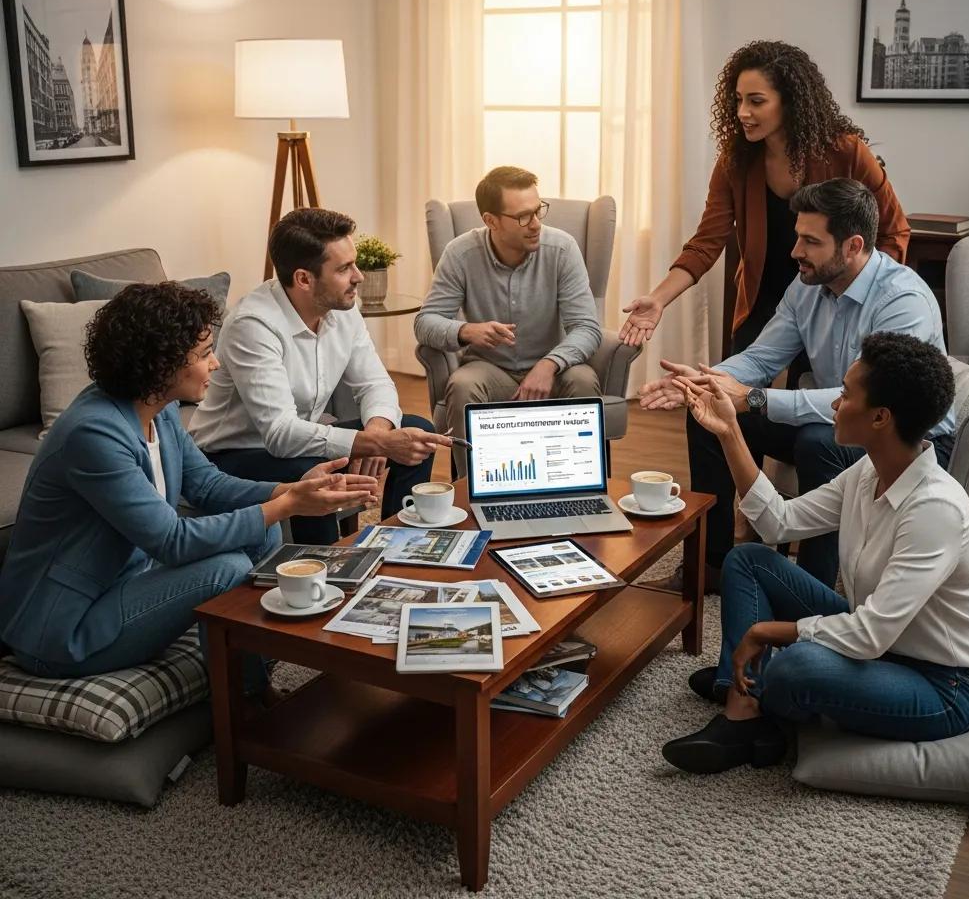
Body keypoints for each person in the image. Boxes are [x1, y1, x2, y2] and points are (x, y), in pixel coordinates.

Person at [0, 283, 377, 691]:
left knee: (262, 530)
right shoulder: (94, 434)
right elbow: (172, 541)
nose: (215, 363)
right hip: (61, 630)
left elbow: (207, 485)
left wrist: (290, 490)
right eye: (203, 354)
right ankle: (244, 703)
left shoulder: (157, 411)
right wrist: (288, 507)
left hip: (123, 583)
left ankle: (251, 674)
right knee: (228, 568)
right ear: (160, 364)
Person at [660, 332, 969, 775]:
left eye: (846, 395)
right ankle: (743, 708)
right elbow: (778, 521)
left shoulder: (936, 509)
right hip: (881, 647)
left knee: (794, 667)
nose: (835, 404)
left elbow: (870, 633)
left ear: (880, 418)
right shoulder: (869, 471)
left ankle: (752, 695)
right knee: (748, 561)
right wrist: (728, 432)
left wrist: (765, 632)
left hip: (939, 684)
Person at [640, 178, 954, 591]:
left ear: (853, 246)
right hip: (841, 421)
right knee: (709, 416)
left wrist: (752, 399)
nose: (795, 252)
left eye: (810, 241)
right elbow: (761, 357)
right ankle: (710, 567)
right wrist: (705, 384)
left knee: (818, 443)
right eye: (797, 238)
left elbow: (869, 402)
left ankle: (811, 590)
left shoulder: (902, 301)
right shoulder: (807, 286)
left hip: (902, 437)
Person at [619, 40, 909, 353]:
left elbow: (895, 232)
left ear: (790, 102)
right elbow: (706, 242)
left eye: (756, 101)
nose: (743, 112)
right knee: (724, 394)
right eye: (739, 100)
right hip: (762, 297)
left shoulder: (847, 152)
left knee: (808, 395)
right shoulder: (736, 161)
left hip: (830, 297)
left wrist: (860, 294)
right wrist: (658, 299)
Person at [190, 208, 452, 540]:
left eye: (354, 263)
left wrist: (376, 434)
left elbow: (375, 383)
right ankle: (326, 572)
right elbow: (280, 433)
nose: (358, 276)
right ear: (304, 278)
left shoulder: (342, 307)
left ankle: (400, 543)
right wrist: (371, 443)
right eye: (344, 268)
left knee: (418, 432)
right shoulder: (253, 325)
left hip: (302, 441)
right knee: (315, 475)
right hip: (232, 455)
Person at [414, 166, 602, 477]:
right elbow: (425, 322)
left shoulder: (562, 249)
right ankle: (469, 490)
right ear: (491, 221)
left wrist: (550, 364)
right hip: (490, 369)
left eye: (538, 211)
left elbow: (587, 328)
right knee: (462, 385)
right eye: (523, 217)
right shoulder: (460, 254)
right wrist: (464, 330)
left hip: (553, 368)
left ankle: (576, 483)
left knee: (583, 380)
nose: (536, 224)